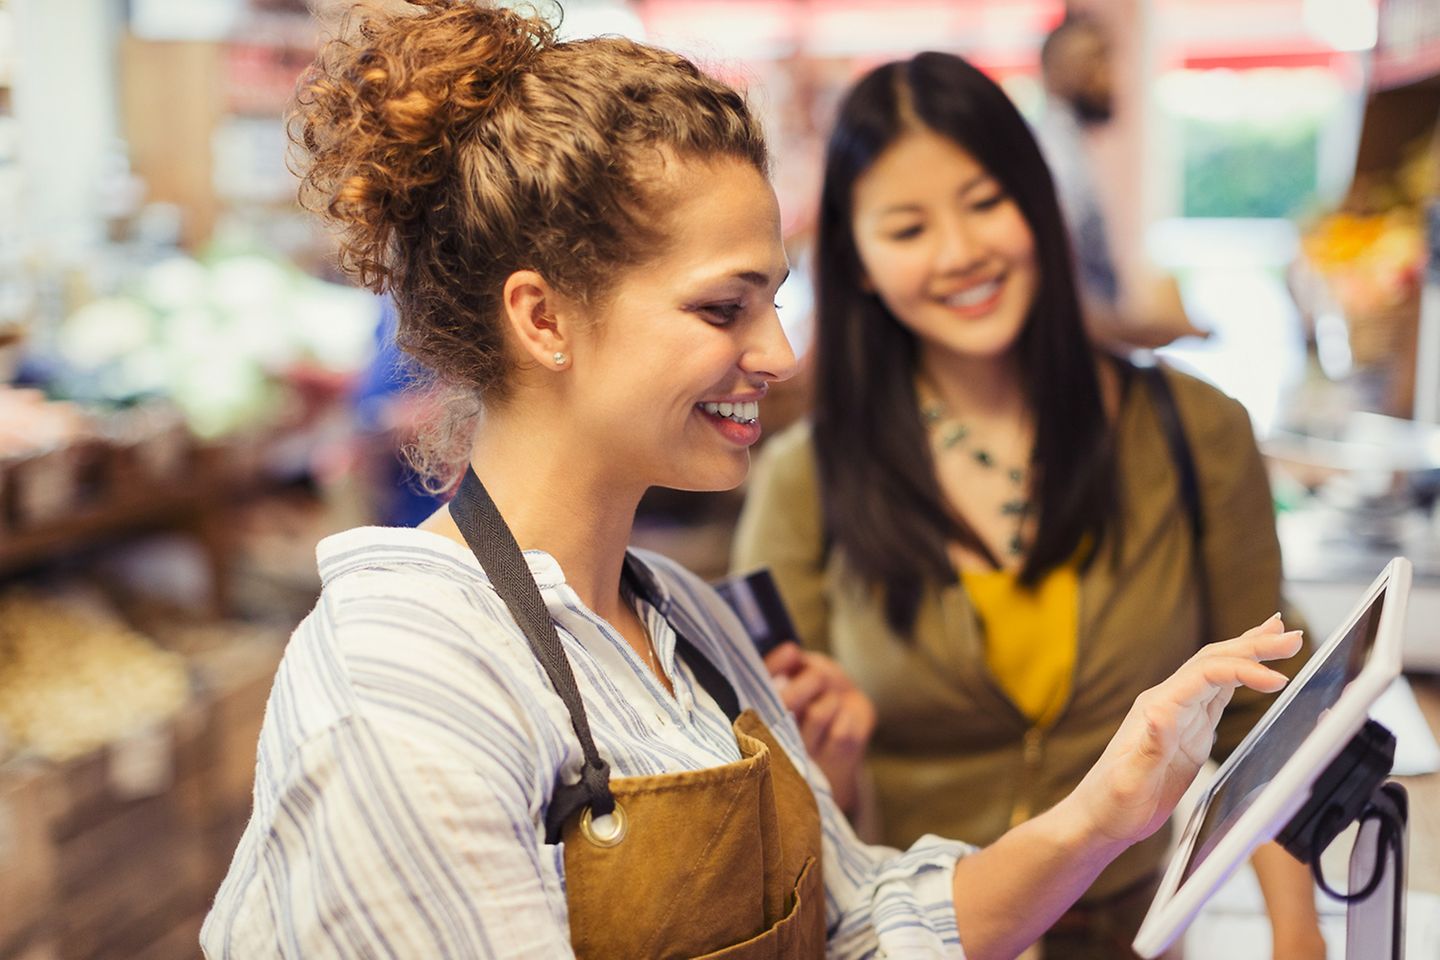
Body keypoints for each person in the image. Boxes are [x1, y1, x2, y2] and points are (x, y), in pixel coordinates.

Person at [200, 7, 1302, 958]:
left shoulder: (681, 623)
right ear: (543, 319)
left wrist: (1107, 812)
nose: (776, 357)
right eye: (724, 309)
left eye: (775, 300)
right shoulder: (405, 681)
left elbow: (859, 925)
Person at [732, 52, 1324, 959]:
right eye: (907, 225)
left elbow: (1267, 713)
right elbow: (782, 799)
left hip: (1134, 936)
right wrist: (831, 756)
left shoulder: (1192, 430)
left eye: (984, 202)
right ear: (855, 262)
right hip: (925, 939)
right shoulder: (805, 478)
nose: (962, 252)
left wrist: (1298, 934)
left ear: (1038, 204)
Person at [1035, 13, 1203, 351]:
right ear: (1058, 71)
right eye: (1097, 60)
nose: (1112, 77)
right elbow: (1055, 294)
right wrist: (1142, 331)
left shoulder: (1071, 148)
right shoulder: (1056, 157)